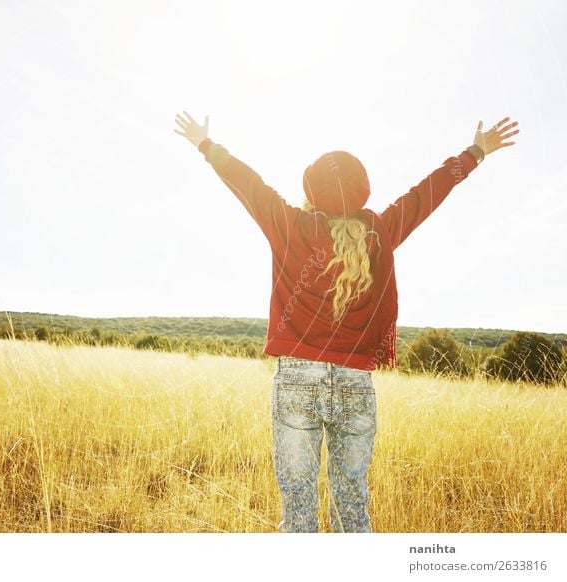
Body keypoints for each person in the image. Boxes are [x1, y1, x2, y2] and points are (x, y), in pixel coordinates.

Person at [173, 111, 519, 532]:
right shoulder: (381, 230)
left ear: (311, 192)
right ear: (362, 190)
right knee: (352, 508)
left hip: (296, 380)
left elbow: (248, 183)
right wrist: (477, 152)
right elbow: (425, 194)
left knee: (298, 508)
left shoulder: (289, 225)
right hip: (355, 382)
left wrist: (206, 145)